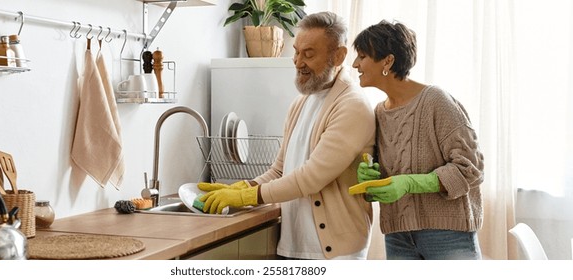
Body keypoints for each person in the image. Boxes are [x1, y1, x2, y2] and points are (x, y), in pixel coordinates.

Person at [197, 11, 376, 260]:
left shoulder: (352, 106)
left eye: (309, 54)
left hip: (336, 253)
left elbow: (311, 178)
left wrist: (246, 197)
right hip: (293, 244)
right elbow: (281, 170)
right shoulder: (301, 103)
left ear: (338, 56)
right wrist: (245, 186)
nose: (297, 61)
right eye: (296, 51)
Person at [348, 20, 485, 260]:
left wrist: (410, 183)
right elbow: (393, 173)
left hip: (447, 235)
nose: (355, 64)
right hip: (398, 236)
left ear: (387, 61)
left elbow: (471, 169)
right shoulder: (379, 112)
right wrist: (371, 179)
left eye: (362, 56)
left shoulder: (436, 101)